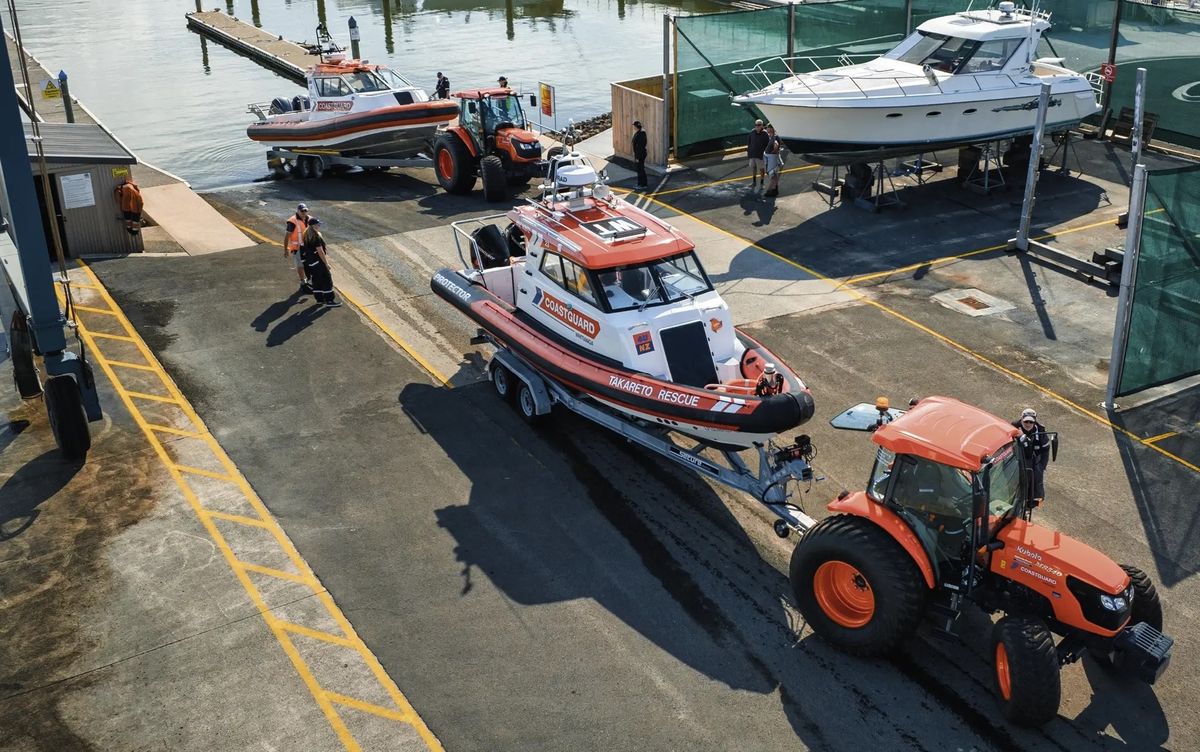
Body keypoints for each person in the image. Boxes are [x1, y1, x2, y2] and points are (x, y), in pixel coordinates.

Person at [1012, 408, 1052, 504]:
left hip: (1033, 459)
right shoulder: (1013, 428)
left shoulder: (1040, 431)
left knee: (1037, 477)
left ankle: (1033, 501)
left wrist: (1042, 466)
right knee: (1020, 481)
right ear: (1021, 419)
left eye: (1031, 422)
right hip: (1018, 459)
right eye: (1026, 421)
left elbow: (1045, 450)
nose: (1028, 424)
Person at [299, 217, 340, 308]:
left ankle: (319, 300)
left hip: (311, 263)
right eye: (318, 224)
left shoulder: (306, 235)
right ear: (313, 226)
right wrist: (326, 264)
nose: (319, 225)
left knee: (316, 281)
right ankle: (329, 300)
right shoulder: (315, 236)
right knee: (327, 280)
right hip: (318, 263)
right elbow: (320, 251)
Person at [283, 203, 311, 292]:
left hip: (308, 246)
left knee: (309, 264)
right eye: (302, 211)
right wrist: (286, 249)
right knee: (300, 265)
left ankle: (308, 281)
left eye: (305, 210)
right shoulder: (292, 222)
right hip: (297, 248)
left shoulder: (309, 219)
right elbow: (287, 236)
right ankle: (303, 282)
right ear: (298, 211)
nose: (304, 212)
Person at [746, 119, 769, 190]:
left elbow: (767, 144)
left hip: (760, 155)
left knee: (761, 169)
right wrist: (749, 153)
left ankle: (762, 183)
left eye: (759, 125)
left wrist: (765, 153)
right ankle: (754, 182)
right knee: (753, 168)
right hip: (752, 154)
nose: (757, 126)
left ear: (762, 125)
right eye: (756, 125)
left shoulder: (765, 134)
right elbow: (749, 143)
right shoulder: (752, 132)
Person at [763, 124, 782, 198]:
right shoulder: (772, 136)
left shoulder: (775, 137)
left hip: (772, 159)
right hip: (771, 158)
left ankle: (769, 190)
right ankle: (775, 189)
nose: (766, 129)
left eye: (767, 128)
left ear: (771, 129)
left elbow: (776, 144)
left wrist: (774, 151)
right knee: (774, 175)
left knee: (772, 175)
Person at [632, 120, 648, 190]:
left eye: (634, 126)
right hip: (640, 154)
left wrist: (637, 157)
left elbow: (640, 147)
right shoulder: (640, 132)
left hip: (640, 155)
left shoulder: (641, 133)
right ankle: (640, 183)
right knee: (640, 169)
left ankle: (642, 184)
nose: (634, 128)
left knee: (640, 169)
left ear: (636, 126)